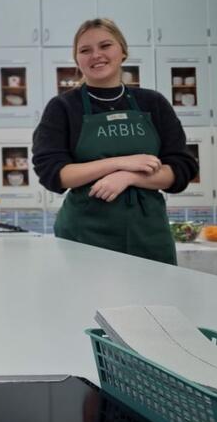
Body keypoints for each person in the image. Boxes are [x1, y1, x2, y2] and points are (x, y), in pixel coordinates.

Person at [33, 18, 198, 265]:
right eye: (85, 50)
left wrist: (129, 177)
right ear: (77, 59)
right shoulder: (63, 107)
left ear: (123, 51)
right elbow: (54, 174)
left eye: (105, 46)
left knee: (153, 302)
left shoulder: (153, 103)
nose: (95, 55)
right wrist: (122, 162)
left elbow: (181, 170)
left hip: (149, 237)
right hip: (83, 237)